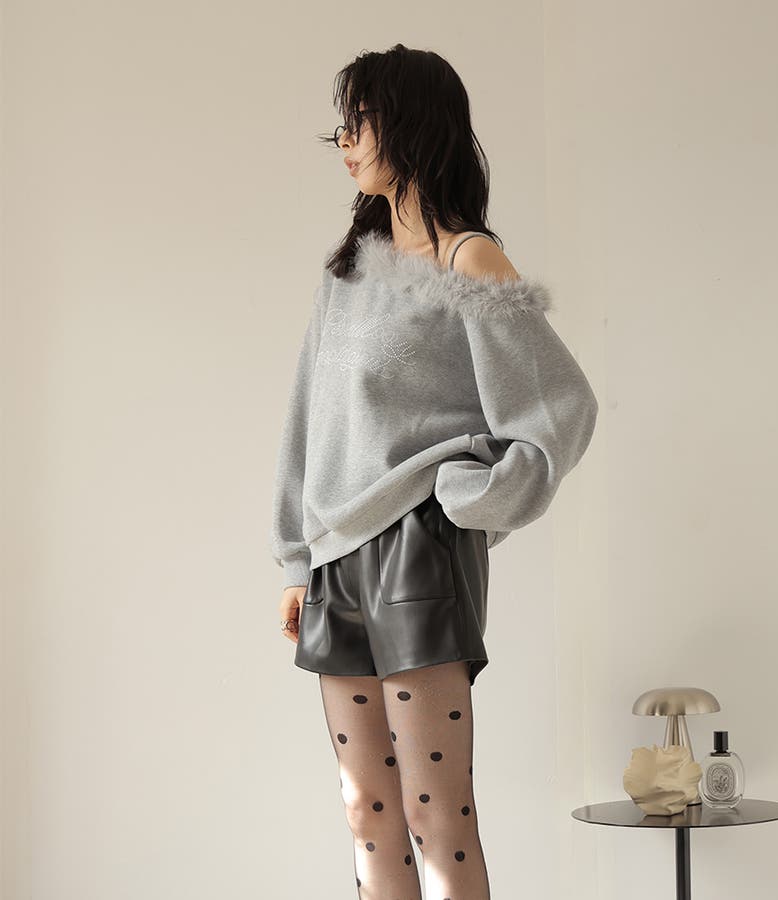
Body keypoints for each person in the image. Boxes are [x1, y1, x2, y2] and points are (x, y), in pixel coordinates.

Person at [270, 43, 598, 900]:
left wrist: (472, 494)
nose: (345, 142)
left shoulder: (468, 261)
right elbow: (308, 419)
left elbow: (561, 408)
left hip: (419, 550)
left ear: (412, 126)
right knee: (366, 812)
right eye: (341, 126)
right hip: (337, 557)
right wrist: (297, 559)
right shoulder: (348, 272)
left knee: (434, 813)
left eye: (361, 122)